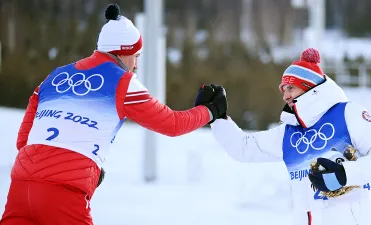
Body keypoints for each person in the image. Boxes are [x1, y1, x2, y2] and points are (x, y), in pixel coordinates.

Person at [0, 4, 227, 225]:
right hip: (64, 195)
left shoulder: (55, 76)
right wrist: (209, 110)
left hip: (20, 188)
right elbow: (172, 124)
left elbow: (24, 140)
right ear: (123, 53)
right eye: (136, 56)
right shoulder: (123, 82)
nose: (136, 65)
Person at [208, 48, 371, 225]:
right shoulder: (288, 133)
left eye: (290, 88)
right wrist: (217, 117)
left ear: (309, 87)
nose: (285, 96)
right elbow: (244, 148)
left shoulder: (348, 113)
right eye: (283, 90)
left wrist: (344, 174)